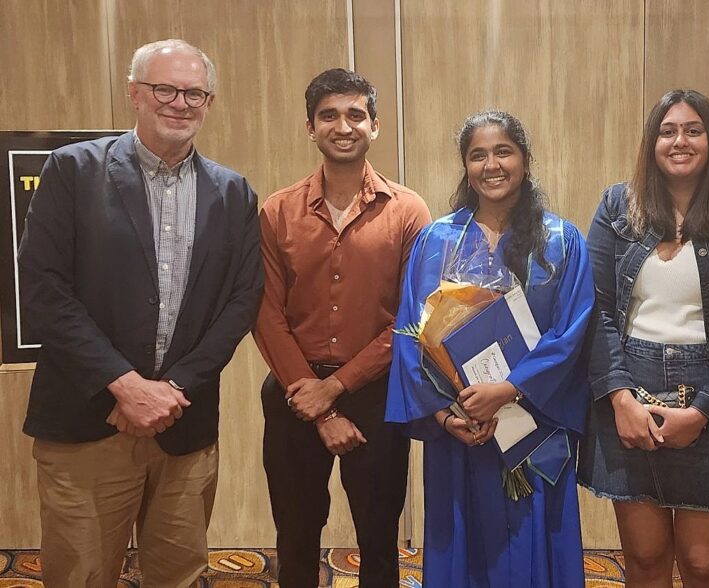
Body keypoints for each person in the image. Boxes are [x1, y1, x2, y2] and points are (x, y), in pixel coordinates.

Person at [18, 38, 263, 587]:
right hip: (88, 422)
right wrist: (124, 386)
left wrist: (172, 388)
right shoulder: (73, 171)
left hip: (184, 425)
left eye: (194, 92)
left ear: (209, 100)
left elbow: (240, 302)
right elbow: (44, 288)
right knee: (80, 576)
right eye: (164, 89)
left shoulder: (233, 193)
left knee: (179, 577)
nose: (179, 102)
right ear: (134, 93)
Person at [386, 110, 594, 587]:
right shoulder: (436, 241)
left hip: (533, 427)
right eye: (478, 154)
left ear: (524, 159)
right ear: (465, 166)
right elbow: (410, 336)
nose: (491, 164)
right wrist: (443, 416)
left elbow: (572, 333)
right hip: (462, 427)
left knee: (535, 544)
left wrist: (510, 389)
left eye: (504, 151)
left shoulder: (562, 242)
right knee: (462, 546)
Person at [579, 90, 709, 588]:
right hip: (630, 392)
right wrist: (619, 398)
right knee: (644, 559)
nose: (679, 141)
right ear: (652, 141)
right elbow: (596, 310)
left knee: (705, 563)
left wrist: (704, 411)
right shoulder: (617, 206)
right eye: (668, 131)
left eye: (693, 129)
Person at [253, 68, 430, 587]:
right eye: (329, 115)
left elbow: (412, 319)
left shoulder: (409, 211)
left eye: (356, 114)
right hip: (292, 395)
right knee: (296, 533)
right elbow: (266, 314)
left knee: (379, 540)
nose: (343, 125)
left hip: (377, 396)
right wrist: (313, 397)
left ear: (375, 125)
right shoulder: (277, 212)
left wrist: (334, 389)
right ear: (310, 127)